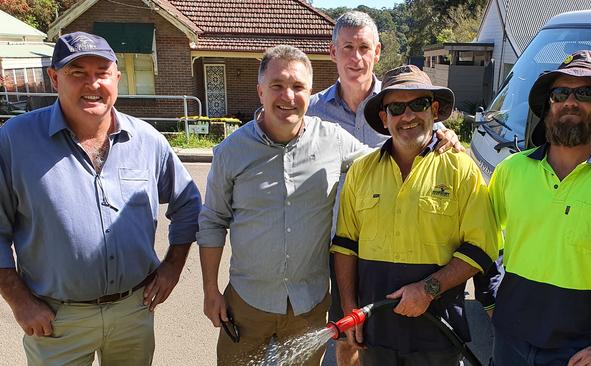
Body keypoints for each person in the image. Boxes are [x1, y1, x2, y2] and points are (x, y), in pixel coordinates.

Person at [0, 32, 201, 365]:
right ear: (54, 78)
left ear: (116, 78)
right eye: (77, 73)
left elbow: (189, 204)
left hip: (133, 314)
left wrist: (172, 268)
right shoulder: (14, 141)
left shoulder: (147, 141)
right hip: (55, 320)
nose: (91, 83)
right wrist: (19, 300)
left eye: (101, 72)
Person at [307, 11, 465, 365]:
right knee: (349, 338)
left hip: (395, 249)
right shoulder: (311, 112)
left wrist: (448, 136)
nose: (355, 57)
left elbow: (427, 136)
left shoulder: (402, 100)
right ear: (332, 52)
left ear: (378, 51)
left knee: (392, 345)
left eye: (364, 47)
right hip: (336, 248)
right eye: (347, 47)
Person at [197, 45, 369, 366]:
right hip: (248, 304)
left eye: (298, 87)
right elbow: (212, 223)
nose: (287, 96)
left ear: (310, 92)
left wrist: (437, 139)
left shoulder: (333, 140)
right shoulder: (231, 152)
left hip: (310, 304)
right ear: (261, 90)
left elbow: (384, 159)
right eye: (277, 85)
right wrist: (210, 291)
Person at [489, 50, 591, 366]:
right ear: (549, 105)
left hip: (580, 350)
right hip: (510, 341)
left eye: (585, 93)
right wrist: (488, 298)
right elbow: (484, 238)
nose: (570, 101)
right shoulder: (511, 170)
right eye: (560, 93)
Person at [331, 65, 499, 366]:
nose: (407, 116)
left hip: (437, 335)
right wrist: (348, 308)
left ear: (434, 110)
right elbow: (345, 245)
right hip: (375, 332)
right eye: (396, 108)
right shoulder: (361, 171)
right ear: (384, 118)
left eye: (418, 104)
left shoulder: (461, 169)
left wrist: (427, 289)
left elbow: (481, 247)